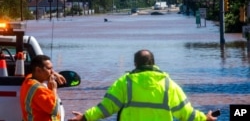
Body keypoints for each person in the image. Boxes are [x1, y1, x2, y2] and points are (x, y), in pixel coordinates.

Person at [68, 49, 217, 121]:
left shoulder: (124, 82)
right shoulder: (168, 85)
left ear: (135, 64)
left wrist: (85, 117)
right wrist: (204, 118)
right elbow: (186, 113)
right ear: (154, 63)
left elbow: (106, 108)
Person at [20, 55, 66, 121]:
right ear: (38, 70)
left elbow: (31, 74)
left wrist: (54, 73)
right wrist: (53, 89)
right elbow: (54, 109)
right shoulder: (39, 89)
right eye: (49, 68)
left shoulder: (28, 80)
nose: (52, 71)